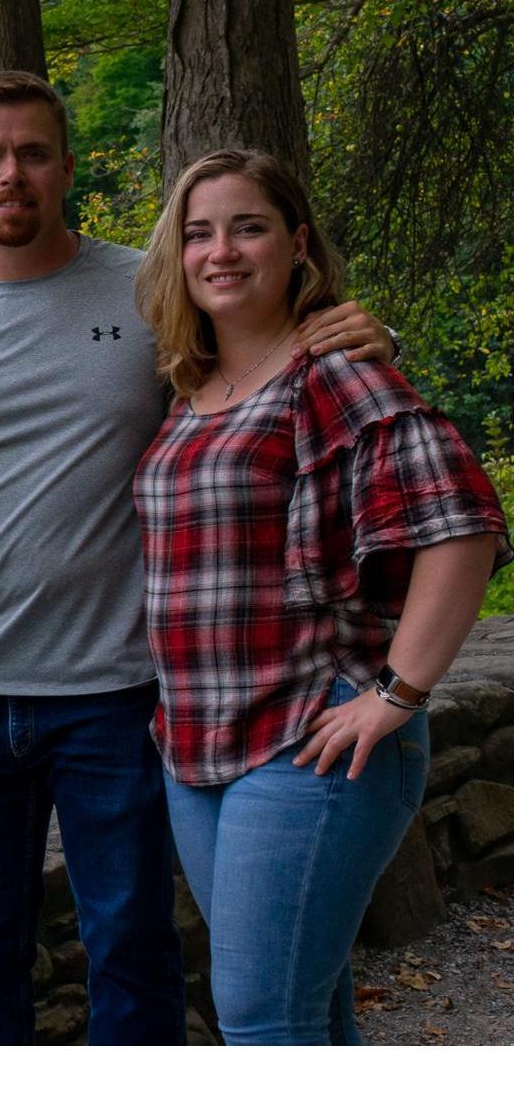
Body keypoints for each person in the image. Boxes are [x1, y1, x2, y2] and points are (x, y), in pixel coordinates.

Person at [0, 71, 394, 1045]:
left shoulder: (151, 293)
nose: (10, 173)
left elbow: (262, 347)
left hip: (123, 695)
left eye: (30, 153)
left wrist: (358, 331)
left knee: (133, 949)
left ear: (65, 166)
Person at [131, 150, 508, 1045]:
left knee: (262, 1018)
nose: (222, 251)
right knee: (307, 1009)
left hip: (311, 736)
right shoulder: (184, 388)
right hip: (198, 746)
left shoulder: (335, 372)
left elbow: (462, 526)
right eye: (199, 233)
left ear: (297, 243)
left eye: (249, 227)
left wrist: (397, 694)